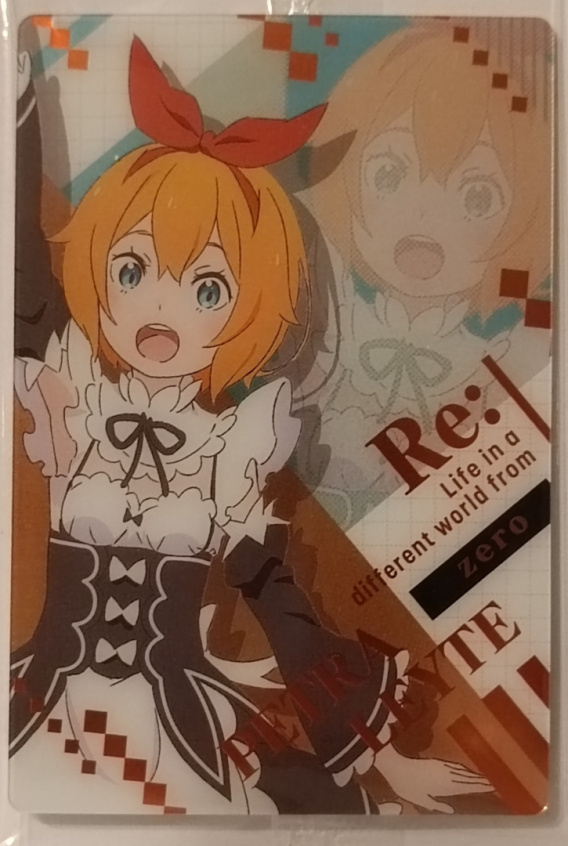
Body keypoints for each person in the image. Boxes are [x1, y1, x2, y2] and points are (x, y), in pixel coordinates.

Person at [10, 37, 492, 815]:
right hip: (38, 712)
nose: (161, 307)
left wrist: (388, 761)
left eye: (207, 289)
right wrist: (18, 99)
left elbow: (283, 609)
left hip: (174, 730)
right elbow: (24, 259)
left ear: (250, 309)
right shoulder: (70, 390)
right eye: (132, 270)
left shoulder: (229, 451)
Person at [292, 20, 552, 528]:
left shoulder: (512, 360)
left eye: (478, 196)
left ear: (529, 214)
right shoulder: (328, 313)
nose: (423, 216)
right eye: (388, 173)